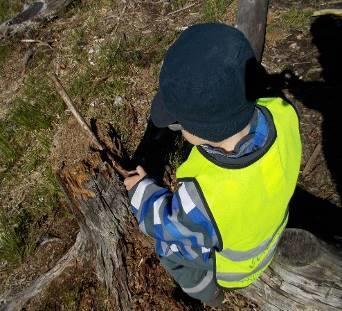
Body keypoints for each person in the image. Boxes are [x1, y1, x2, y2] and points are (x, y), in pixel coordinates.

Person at [124, 23, 302, 307]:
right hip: (273, 227)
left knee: (171, 249)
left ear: (202, 131)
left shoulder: (203, 194)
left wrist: (141, 192)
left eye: (180, 124)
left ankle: (207, 293)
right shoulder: (283, 114)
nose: (179, 130)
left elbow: (167, 224)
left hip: (236, 268)